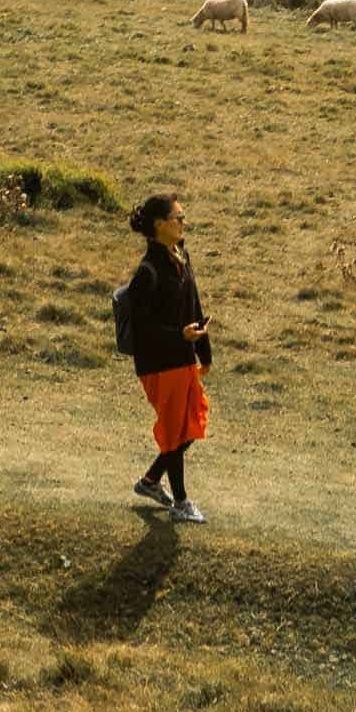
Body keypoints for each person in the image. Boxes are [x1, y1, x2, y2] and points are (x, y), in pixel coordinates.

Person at [118, 193, 211, 523]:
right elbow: (143, 330)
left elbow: (194, 304)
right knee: (174, 431)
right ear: (160, 225)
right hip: (158, 363)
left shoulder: (181, 254)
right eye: (178, 218)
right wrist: (179, 337)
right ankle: (181, 502)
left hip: (183, 357)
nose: (184, 223)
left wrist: (204, 349)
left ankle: (150, 481)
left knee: (190, 426)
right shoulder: (148, 271)